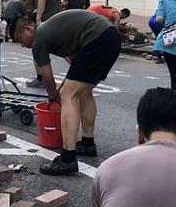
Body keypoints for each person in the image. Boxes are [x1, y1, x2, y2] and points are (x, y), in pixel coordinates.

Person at [10, 10, 121, 175]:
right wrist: (64, 86)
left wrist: (54, 99)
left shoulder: (39, 39)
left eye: (20, 39)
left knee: (67, 95)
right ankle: (88, 144)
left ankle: (67, 159)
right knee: (83, 91)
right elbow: (75, 63)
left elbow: (47, 79)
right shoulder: (52, 31)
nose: (22, 45)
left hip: (97, 38)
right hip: (110, 37)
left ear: (28, 29)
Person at [26, 0, 61, 88]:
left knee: (36, 47)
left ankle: (40, 78)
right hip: (56, 17)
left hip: (46, 20)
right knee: (62, 47)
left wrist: (39, 17)